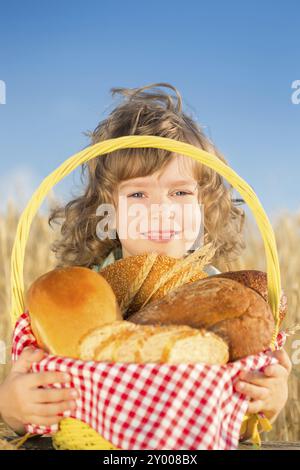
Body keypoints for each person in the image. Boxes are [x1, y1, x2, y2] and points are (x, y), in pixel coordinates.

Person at [0, 83, 291, 439]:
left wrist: (269, 401)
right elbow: (33, 389)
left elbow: (238, 423)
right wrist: (13, 407)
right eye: (137, 193)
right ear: (107, 210)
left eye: (180, 192)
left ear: (206, 206)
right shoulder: (77, 298)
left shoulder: (223, 299)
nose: (161, 210)